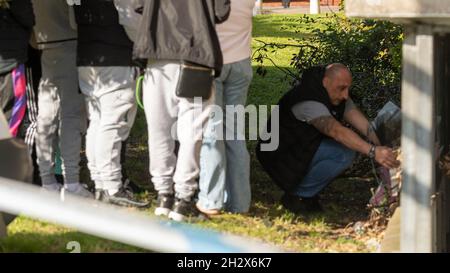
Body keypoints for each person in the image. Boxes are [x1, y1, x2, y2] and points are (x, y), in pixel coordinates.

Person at [256, 64, 400, 213]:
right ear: (325, 82)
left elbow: (362, 124)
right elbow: (335, 131)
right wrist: (373, 151)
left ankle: (304, 191)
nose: (346, 95)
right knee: (343, 155)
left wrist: (384, 147)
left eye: (347, 89)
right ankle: (298, 197)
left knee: (347, 151)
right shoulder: (308, 101)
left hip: (301, 145)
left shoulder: (333, 92)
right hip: (278, 154)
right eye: (342, 88)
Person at [134, 0, 231, 221]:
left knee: (158, 131)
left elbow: (139, 6)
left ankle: (164, 195)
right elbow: (221, 12)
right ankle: (183, 199)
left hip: (156, 51)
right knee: (192, 133)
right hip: (197, 53)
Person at [73, 0, 148, 206]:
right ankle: (113, 186)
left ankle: (101, 183)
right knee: (113, 124)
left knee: (97, 123)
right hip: (116, 60)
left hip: (87, 58)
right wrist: (147, 44)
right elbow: (130, 19)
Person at [198, 0, 255, 215]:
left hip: (214, 63)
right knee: (235, 134)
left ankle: (211, 199)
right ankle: (240, 202)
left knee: (212, 132)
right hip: (241, 65)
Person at [32, 0, 90, 197]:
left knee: (46, 117)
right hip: (70, 44)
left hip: (45, 45)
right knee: (71, 116)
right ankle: (71, 182)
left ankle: (47, 181)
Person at [0, 0, 35, 138]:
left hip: (8, 56)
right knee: (11, 117)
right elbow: (27, 16)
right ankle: (7, 157)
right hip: (9, 62)